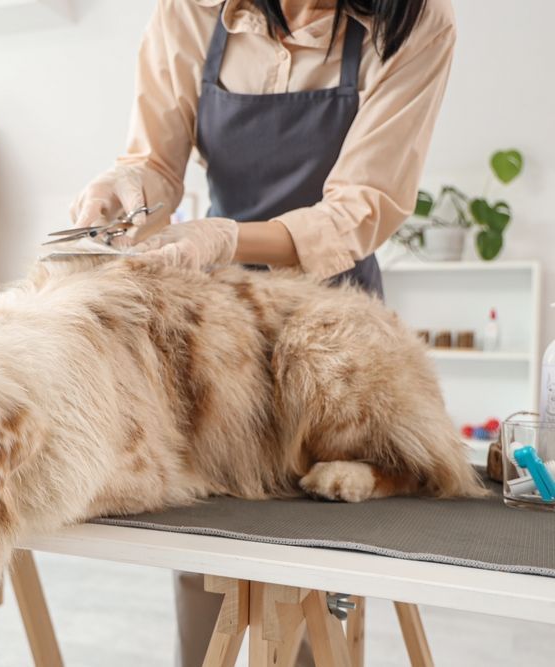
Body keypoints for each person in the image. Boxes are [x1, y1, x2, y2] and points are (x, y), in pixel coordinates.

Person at [70, 0, 455, 664]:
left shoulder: (416, 21)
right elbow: (156, 165)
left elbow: (359, 209)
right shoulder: (193, 9)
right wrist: (122, 190)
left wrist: (227, 236)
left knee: (318, 565)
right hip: (215, 331)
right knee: (203, 550)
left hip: (330, 331)